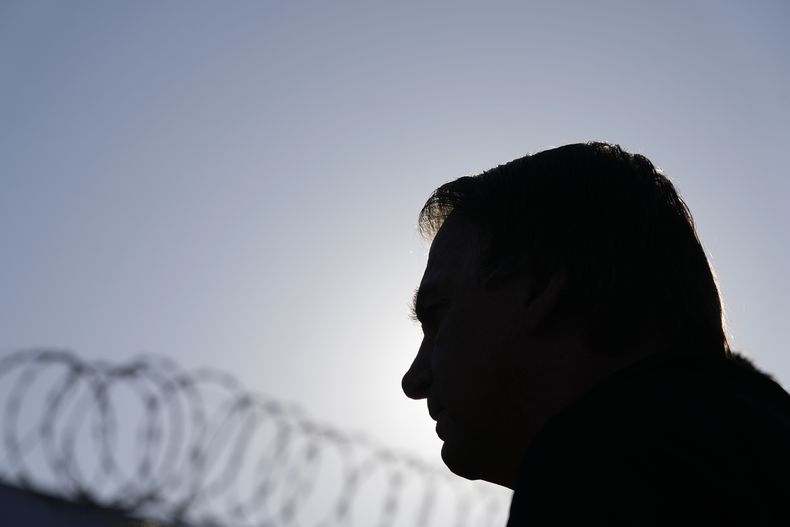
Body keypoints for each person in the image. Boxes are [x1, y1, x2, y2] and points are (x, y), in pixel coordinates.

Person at [401, 142, 790, 525]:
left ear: (542, 287)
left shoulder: (599, 471)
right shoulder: (752, 451)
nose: (413, 381)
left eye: (436, 318)